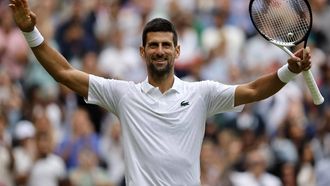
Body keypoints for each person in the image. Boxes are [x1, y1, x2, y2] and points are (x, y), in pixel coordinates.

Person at [9, 0, 312, 185]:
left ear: (177, 50)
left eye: (166, 45)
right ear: (142, 51)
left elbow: (255, 89)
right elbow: (63, 73)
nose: (160, 50)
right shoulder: (124, 95)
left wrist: (289, 71)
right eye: (153, 45)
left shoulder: (201, 93)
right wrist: (30, 31)